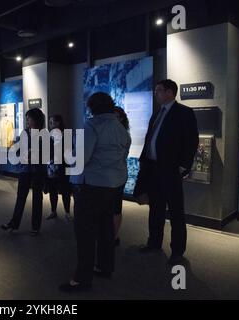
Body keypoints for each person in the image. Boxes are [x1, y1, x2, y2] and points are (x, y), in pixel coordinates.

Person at [59, 92, 131, 293]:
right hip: (112, 186)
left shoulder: (92, 126)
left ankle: (82, 279)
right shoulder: (120, 128)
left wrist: (69, 155)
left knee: (85, 233)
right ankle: (105, 266)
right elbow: (122, 157)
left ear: (92, 107)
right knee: (106, 229)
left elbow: (81, 158)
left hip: (90, 187)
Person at [134, 79, 199, 266]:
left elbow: (191, 141)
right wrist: (143, 161)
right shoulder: (156, 115)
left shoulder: (184, 113)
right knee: (156, 209)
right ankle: (154, 242)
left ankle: (177, 251)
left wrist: (182, 166)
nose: (156, 94)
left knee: (176, 212)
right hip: (153, 169)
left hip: (170, 170)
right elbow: (150, 140)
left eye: (159, 90)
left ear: (170, 92)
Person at [1, 108, 46, 236]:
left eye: (29, 118)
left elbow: (49, 153)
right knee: (21, 197)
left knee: (37, 198)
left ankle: (35, 227)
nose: (27, 121)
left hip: (38, 170)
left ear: (36, 119)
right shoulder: (24, 132)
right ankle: (14, 223)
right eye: (27, 118)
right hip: (25, 169)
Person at [46, 115, 72, 221]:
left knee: (65, 190)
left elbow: (69, 150)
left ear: (59, 123)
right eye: (50, 122)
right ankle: (53, 211)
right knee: (52, 190)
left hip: (63, 165)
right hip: (51, 166)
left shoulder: (66, 135)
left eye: (53, 122)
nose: (51, 125)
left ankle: (67, 212)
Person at [113, 106, 130, 246]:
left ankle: (114, 235)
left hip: (117, 175)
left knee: (116, 206)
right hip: (113, 175)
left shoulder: (123, 135)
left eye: (116, 117)